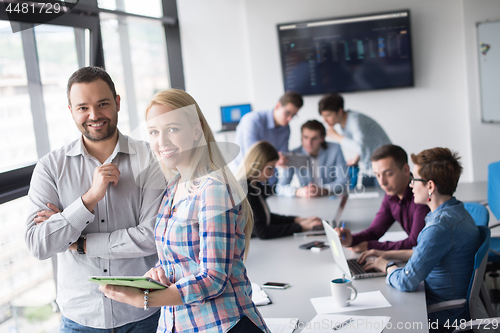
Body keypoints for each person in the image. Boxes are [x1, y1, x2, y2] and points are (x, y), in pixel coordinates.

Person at [99, 89, 270, 333]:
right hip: (178, 324)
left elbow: (213, 279)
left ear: (196, 130)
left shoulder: (214, 189)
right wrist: (160, 271)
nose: (162, 141)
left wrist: (145, 299)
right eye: (154, 132)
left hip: (222, 325)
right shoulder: (173, 187)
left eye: (172, 129)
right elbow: (180, 259)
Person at [25, 66, 165, 331]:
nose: (94, 115)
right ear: (71, 111)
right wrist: (89, 199)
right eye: (83, 108)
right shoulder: (50, 168)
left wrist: (78, 242)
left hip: (144, 316)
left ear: (117, 102)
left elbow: (151, 237)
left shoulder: (151, 159)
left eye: (103, 104)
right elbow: (39, 245)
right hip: (80, 318)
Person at [359, 147, 481, 332]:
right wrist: (385, 254)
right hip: (448, 304)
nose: (411, 185)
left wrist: (387, 266)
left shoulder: (438, 226)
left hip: (441, 317)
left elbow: (407, 282)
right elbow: (424, 252)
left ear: (430, 186)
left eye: (414, 180)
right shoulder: (458, 211)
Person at [337, 145, 429, 252]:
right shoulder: (391, 194)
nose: (382, 182)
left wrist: (370, 246)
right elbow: (375, 231)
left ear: (405, 170)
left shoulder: (421, 196)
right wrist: (352, 239)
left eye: (388, 174)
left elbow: (415, 243)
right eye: (377, 175)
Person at [237, 141, 322, 239]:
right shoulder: (245, 190)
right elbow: (263, 231)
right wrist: (301, 227)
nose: (272, 173)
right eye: (270, 168)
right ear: (258, 165)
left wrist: (297, 220)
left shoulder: (255, 185)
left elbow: (266, 218)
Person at [319, 93, 391, 186]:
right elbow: (363, 143)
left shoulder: (355, 120)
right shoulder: (343, 124)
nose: (325, 120)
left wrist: (336, 136)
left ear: (340, 111)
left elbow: (359, 147)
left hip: (383, 167)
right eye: (323, 116)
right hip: (369, 168)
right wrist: (356, 159)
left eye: (328, 115)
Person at [276, 120, 348, 198]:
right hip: (306, 200)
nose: (309, 143)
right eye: (305, 137)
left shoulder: (335, 149)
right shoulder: (293, 154)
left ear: (322, 138)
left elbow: (343, 181)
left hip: (329, 197)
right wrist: (297, 191)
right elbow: (280, 188)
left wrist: (323, 190)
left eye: (314, 138)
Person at [234, 91, 303, 169]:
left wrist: (284, 160)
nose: (290, 118)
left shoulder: (286, 129)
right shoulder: (253, 120)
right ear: (278, 106)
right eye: (287, 113)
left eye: (293, 115)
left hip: (268, 176)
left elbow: (283, 155)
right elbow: (253, 154)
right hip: (245, 174)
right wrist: (276, 158)